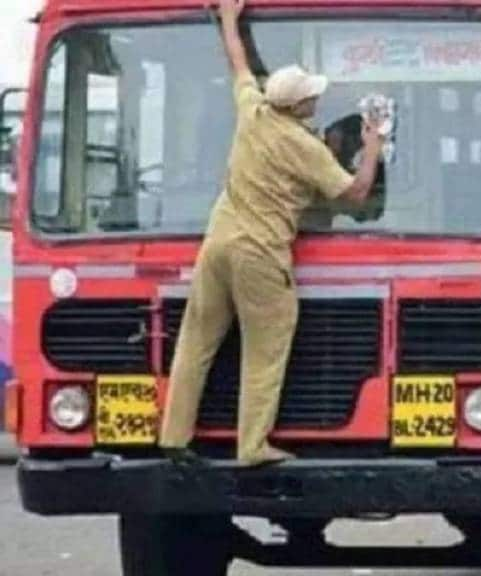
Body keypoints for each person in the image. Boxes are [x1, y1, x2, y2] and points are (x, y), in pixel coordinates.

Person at [158, 0, 384, 466]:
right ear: (301, 105)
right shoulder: (305, 148)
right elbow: (357, 194)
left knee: (196, 340)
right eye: (312, 96)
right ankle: (252, 445)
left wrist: (228, 19)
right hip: (260, 253)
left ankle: (174, 437)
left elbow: (238, 61)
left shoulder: (252, 112)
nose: (317, 100)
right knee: (266, 347)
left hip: (218, 241)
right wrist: (373, 145)